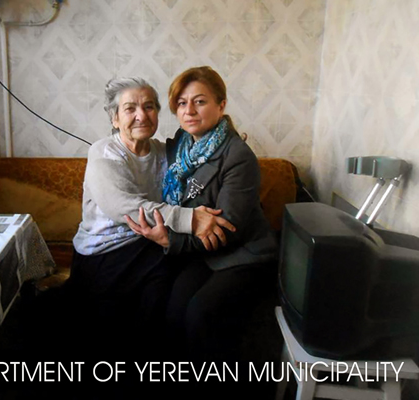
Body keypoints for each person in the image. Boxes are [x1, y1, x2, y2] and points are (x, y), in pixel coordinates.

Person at [68, 77, 233, 358]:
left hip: (148, 245)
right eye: (130, 109)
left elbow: (201, 165)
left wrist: (228, 149)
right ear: (115, 118)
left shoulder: (164, 152)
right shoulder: (103, 153)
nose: (141, 115)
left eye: (148, 107)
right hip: (105, 253)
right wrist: (191, 219)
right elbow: (124, 206)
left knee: (183, 283)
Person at [125, 66, 277, 364]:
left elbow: (227, 228)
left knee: (199, 312)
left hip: (242, 255)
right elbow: (137, 147)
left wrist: (170, 240)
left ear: (221, 105)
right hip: (203, 255)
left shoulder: (238, 156)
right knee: (171, 307)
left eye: (200, 101)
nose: (189, 111)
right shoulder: (181, 146)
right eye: (182, 103)